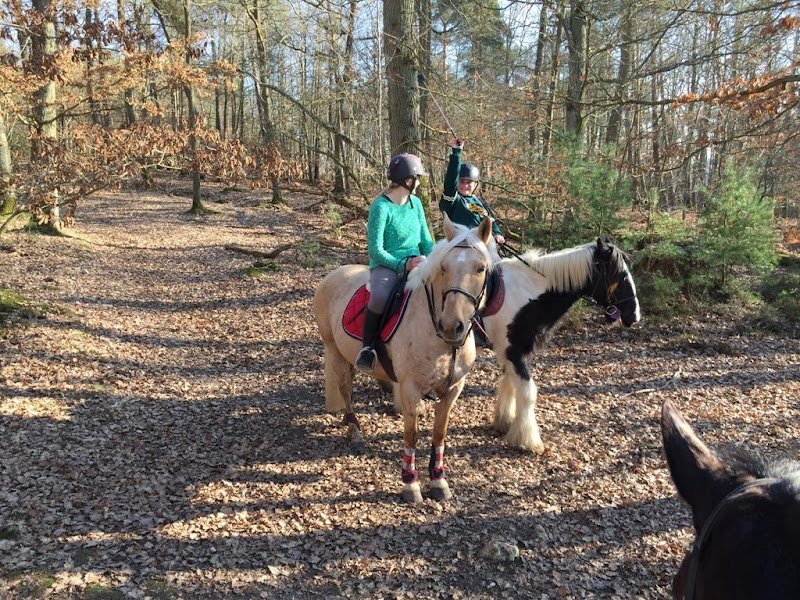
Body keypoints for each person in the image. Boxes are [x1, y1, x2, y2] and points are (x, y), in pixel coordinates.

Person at [355, 152, 435, 373]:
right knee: (380, 296)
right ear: (407, 180)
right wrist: (403, 265)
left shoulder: (416, 204)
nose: (419, 183)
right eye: (417, 179)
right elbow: (375, 250)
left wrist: (438, 257)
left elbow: (426, 241)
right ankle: (368, 348)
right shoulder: (381, 207)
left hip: (418, 261)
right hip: (386, 264)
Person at [439, 139, 505, 247]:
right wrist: (456, 153)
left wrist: (497, 233)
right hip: (460, 245)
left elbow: (489, 220)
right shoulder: (453, 199)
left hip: (480, 245)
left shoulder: (478, 203)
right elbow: (451, 180)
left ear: (475, 184)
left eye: (469, 182)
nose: (465, 185)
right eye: (462, 181)